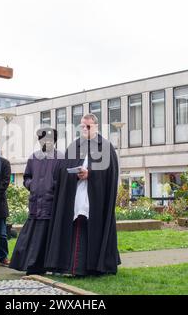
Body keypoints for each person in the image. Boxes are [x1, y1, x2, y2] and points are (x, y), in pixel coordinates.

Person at [44, 113, 121, 276]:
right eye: (82, 126)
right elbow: (61, 172)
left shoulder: (105, 147)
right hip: (75, 195)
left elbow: (110, 174)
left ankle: (91, 267)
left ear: (96, 127)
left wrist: (91, 174)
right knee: (73, 227)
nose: (85, 129)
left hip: (95, 198)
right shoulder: (74, 146)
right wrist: (73, 173)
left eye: (88, 126)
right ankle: (70, 266)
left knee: (90, 229)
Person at [9, 127, 63, 275]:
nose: (45, 141)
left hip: (51, 205)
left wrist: (51, 186)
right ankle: (30, 265)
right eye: (42, 138)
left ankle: (48, 266)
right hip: (35, 204)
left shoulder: (61, 157)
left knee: (47, 237)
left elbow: (65, 181)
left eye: (49, 139)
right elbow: (27, 177)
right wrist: (32, 186)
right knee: (30, 238)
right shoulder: (34, 157)